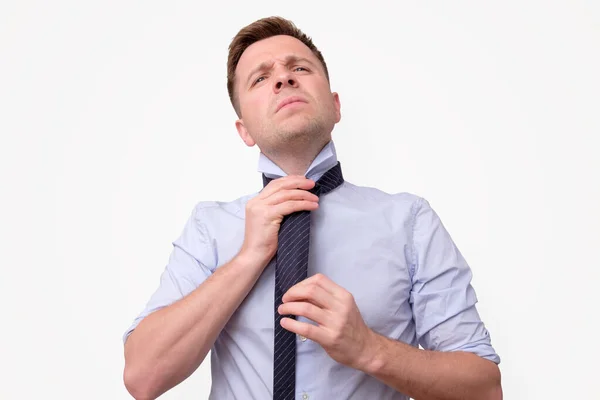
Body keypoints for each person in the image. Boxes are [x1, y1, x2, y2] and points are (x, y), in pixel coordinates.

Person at [122, 16, 502, 400]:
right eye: (260, 78)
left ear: (335, 107)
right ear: (245, 132)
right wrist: (248, 258)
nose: (284, 79)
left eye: (299, 68)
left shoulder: (410, 222)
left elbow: (485, 390)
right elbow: (143, 377)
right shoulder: (210, 228)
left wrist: (370, 350)